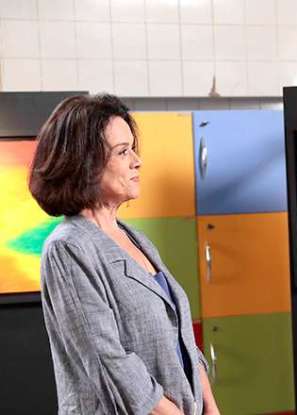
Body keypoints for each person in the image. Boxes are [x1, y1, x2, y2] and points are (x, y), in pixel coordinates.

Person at [29, 94, 220, 415]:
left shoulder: (135, 238)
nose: (137, 160)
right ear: (85, 163)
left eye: (133, 148)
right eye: (122, 151)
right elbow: (109, 361)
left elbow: (181, 337)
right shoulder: (69, 247)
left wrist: (209, 405)